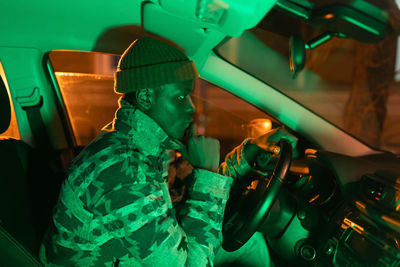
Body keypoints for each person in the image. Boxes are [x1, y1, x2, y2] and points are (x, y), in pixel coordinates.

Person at [39, 36, 296, 266]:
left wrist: (250, 152)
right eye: (181, 98)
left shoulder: (140, 146)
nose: (192, 108)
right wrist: (207, 174)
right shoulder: (124, 170)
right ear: (146, 97)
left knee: (250, 242)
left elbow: (189, 200)